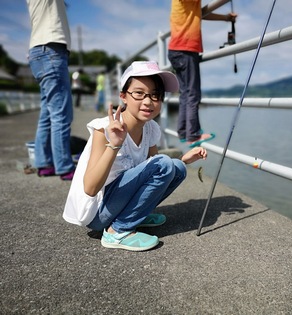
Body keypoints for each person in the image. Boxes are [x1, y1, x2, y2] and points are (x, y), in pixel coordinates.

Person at [63, 61, 207, 252]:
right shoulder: (104, 128)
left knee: (176, 168)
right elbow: (90, 188)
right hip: (97, 213)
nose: (148, 101)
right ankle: (118, 231)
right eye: (139, 93)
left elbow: (157, 171)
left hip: (117, 202)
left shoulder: (150, 128)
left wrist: (184, 161)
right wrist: (114, 144)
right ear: (123, 96)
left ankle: (136, 214)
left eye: (155, 95)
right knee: (165, 163)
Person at [168, 0, 237, 148]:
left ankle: (184, 132)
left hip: (177, 50)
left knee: (185, 94)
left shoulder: (189, 4)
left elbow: (202, 13)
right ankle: (192, 135)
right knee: (193, 94)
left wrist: (225, 18)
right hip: (185, 50)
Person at [26, 0, 75, 181]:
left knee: (47, 113)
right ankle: (64, 166)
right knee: (61, 114)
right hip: (51, 51)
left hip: (40, 53)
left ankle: (44, 163)